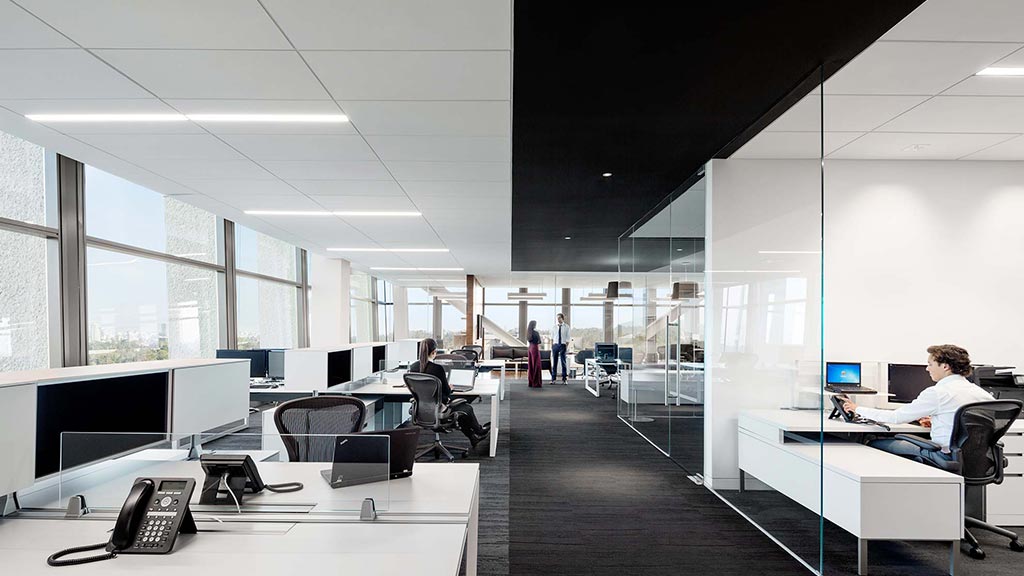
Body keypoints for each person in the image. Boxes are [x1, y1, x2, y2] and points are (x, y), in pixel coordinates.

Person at [842, 344, 994, 468]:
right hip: (977, 459)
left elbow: (896, 418)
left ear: (945, 366)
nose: (927, 369)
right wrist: (936, 421)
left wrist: (857, 409)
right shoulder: (982, 394)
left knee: (873, 442)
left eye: (930, 364)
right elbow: (967, 423)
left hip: (944, 455)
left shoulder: (938, 392)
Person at [409, 338, 490, 446]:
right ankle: (478, 431)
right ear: (434, 352)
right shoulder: (437, 368)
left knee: (461, 410)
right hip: (439, 406)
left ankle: (473, 437)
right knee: (466, 408)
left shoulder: (413, 367)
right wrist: (450, 387)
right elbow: (447, 392)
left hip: (421, 408)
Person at [550, 313, 570, 384]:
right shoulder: (554, 327)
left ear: (562, 318)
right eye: (557, 318)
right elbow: (551, 338)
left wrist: (565, 347)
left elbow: (568, 339)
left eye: (559, 318)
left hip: (562, 345)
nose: (558, 320)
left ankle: (564, 379)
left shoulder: (566, 327)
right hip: (555, 345)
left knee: (563, 363)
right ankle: (553, 379)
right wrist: (552, 346)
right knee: (554, 363)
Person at [526, 320, 543, 388]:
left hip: (530, 348)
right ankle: (536, 383)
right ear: (534, 325)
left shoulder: (528, 333)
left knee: (531, 366)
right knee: (537, 365)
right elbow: (539, 341)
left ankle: (531, 382)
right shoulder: (536, 333)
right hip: (535, 348)